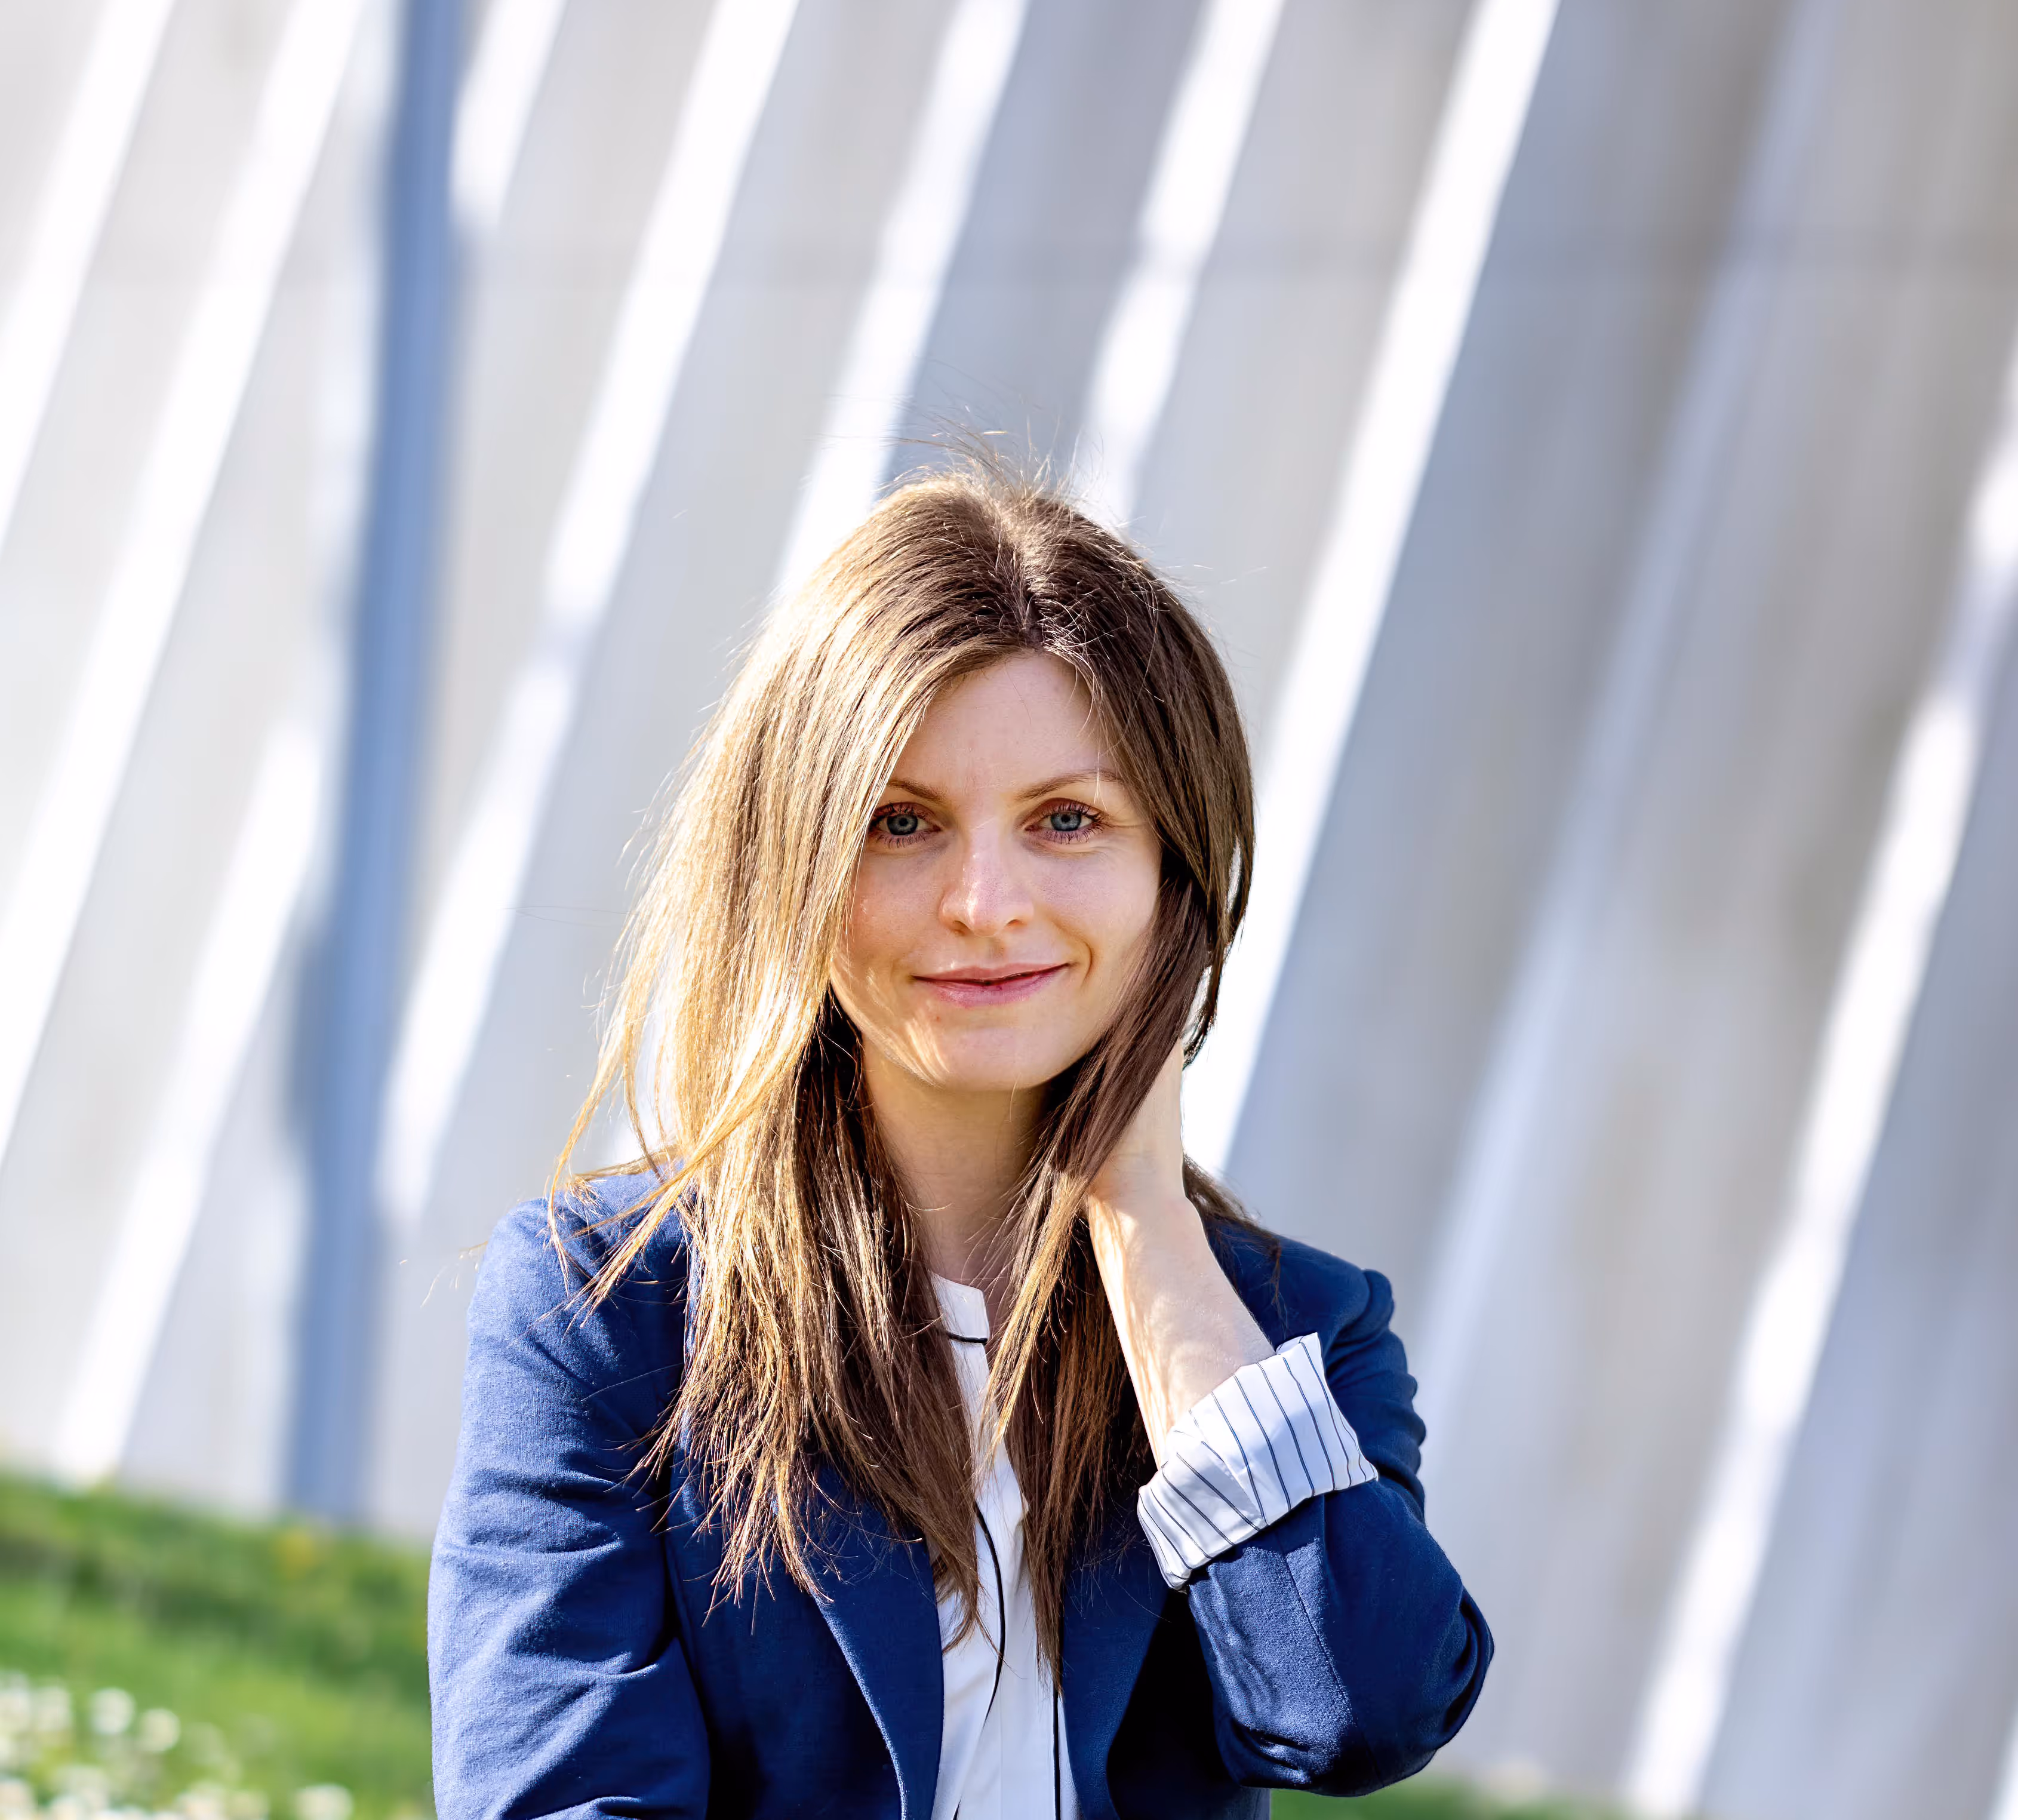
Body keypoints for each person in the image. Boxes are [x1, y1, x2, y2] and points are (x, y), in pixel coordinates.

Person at [427, 463, 1492, 1819]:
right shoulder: (608, 1307)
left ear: (1174, 876)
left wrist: (1146, 1227)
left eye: (1068, 821)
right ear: (796, 863)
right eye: (901, 823)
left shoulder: (1292, 1334)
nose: (984, 903)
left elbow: (1353, 1713)